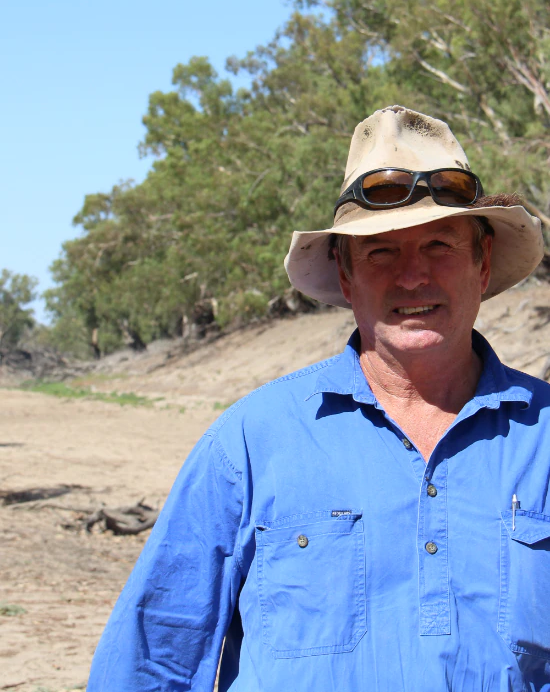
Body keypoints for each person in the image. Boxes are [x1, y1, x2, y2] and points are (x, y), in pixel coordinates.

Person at [87, 105, 550, 692]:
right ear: (346, 272)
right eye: (381, 251)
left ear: (482, 264)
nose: (413, 277)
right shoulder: (252, 441)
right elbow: (153, 659)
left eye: (440, 245)